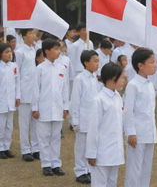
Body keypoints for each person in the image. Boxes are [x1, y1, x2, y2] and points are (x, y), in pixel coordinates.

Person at [32, 38, 69, 176]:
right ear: (47, 51)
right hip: (43, 109)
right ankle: (46, 164)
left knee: (56, 137)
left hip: (58, 108)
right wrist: (35, 108)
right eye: (55, 49)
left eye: (59, 49)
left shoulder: (62, 68)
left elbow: (65, 89)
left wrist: (66, 106)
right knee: (44, 137)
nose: (58, 51)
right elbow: (36, 89)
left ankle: (56, 164)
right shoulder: (40, 68)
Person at [86, 62, 125, 187]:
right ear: (113, 79)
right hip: (102, 152)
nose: (124, 80)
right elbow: (93, 129)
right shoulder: (99, 100)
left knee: (112, 182)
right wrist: (91, 153)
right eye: (122, 77)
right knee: (100, 183)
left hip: (115, 150)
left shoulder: (118, 97)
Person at [124, 48, 157, 187]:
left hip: (149, 132)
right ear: (140, 65)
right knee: (134, 169)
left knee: (146, 169)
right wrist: (131, 132)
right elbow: (128, 111)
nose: (155, 65)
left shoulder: (149, 84)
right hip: (137, 133)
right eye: (151, 62)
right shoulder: (133, 85)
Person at [70, 50, 100, 184]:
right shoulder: (79, 79)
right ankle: (80, 171)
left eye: (98, 61)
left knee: (91, 145)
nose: (97, 64)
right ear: (86, 62)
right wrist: (75, 121)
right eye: (94, 61)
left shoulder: (95, 78)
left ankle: (88, 169)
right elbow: (75, 101)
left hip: (93, 119)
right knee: (81, 147)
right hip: (83, 119)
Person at [15, 29, 39, 162]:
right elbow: (17, 74)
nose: (33, 36)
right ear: (24, 36)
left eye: (34, 34)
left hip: (34, 91)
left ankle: (35, 148)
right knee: (24, 123)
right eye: (30, 34)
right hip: (24, 91)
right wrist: (17, 94)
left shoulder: (34, 50)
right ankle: (25, 150)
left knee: (35, 122)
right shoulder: (19, 52)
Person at [0, 43, 20, 159]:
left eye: (10, 52)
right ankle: (0, 148)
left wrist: (17, 97)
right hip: (1, 100)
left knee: (9, 126)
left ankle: (7, 147)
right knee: (1, 126)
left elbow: (17, 83)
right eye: (6, 52)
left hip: (10, 100)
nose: (9, 54)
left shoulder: (14, 66)